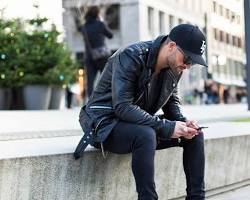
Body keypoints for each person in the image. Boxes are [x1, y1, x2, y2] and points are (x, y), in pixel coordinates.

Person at [75, 24, 208, 200]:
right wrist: (167, 127)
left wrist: (184, 124)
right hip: (105, 124)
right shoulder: (131, 55)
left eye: (192, 62)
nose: (188, 66)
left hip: (136, 123)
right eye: (187, 59)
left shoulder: (175, 67)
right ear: (172, 46)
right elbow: (122, 106)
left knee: (195, 135)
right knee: (145, 134)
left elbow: (171, 105)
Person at [80, 6, 113, 98]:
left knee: (90, 82)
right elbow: (110, 35)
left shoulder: (84, 27)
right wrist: (102, 21)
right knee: (107, 79)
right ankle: (107, 99)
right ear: (97, 14)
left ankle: (90, 103)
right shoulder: (100, 24)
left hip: (89, 57)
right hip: (102, 56)